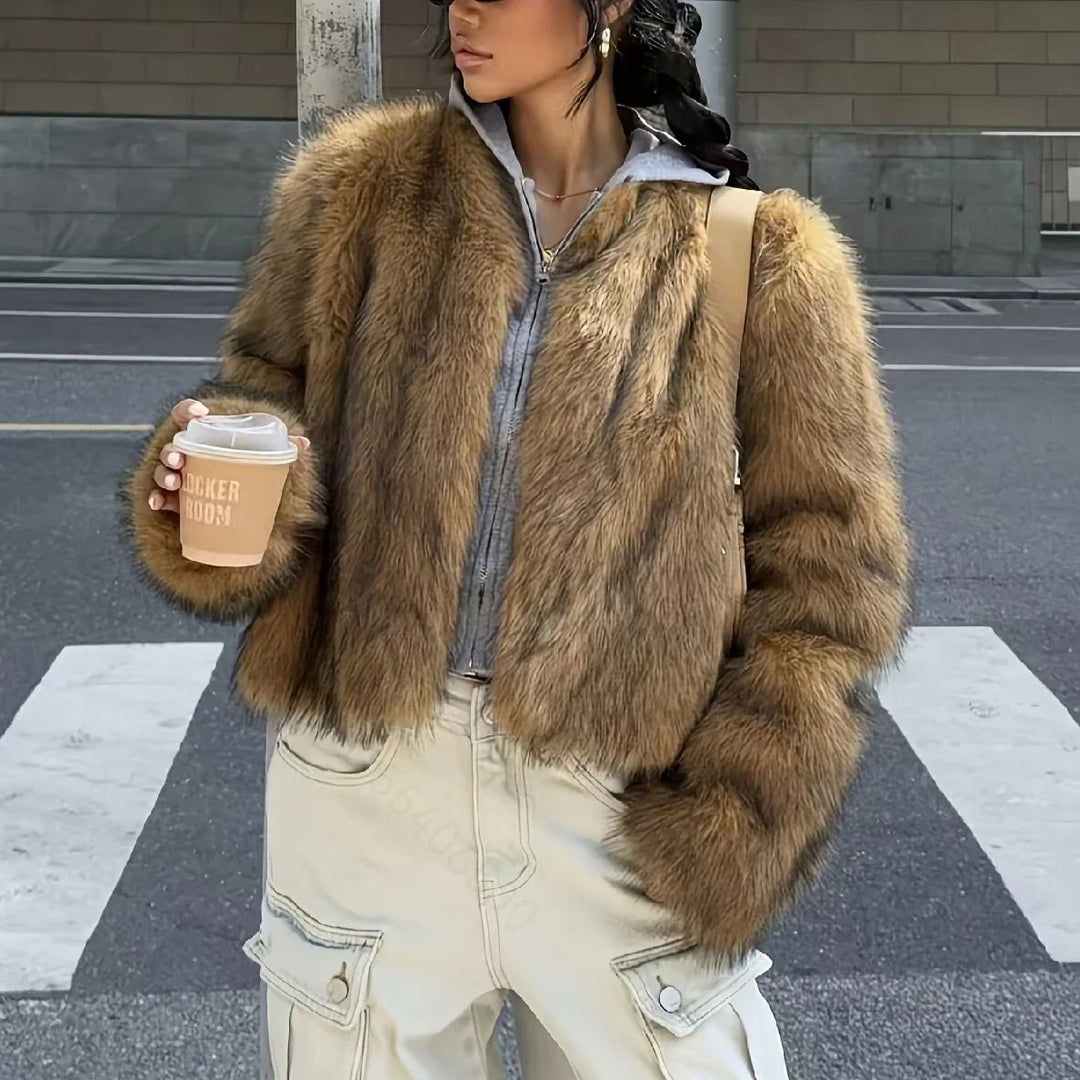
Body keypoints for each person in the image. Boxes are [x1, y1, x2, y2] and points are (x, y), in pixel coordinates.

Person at [119, 1, 912, 1077]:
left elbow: (832, 574)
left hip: (618, 803)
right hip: (366, 790)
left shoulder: (759, 251)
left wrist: (734, 817)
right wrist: (206, 495)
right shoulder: (357, 192)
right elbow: (267, 420)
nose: (464, 7)